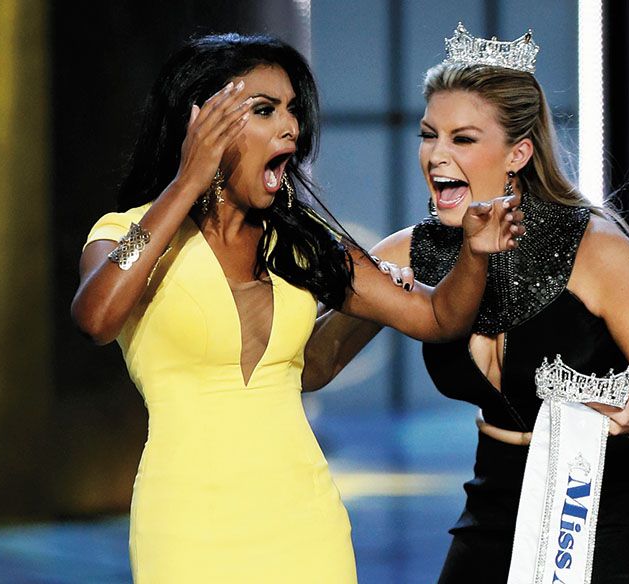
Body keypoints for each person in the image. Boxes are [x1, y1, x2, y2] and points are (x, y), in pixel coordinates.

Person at [70, 33, 524, 583]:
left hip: (305, 523)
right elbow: (96, 316)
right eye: (265, 110)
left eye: (293, 112)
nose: (291, 127)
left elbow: (437, 318)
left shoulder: (301, 245)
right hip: (184, 523)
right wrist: (186, 182)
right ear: (201, 125)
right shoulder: (129, 237)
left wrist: (474, 254)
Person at [309, 24, 629, 583]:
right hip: (497, 498)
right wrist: (350, 290)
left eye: (462, 139)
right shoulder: (405, 254)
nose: (436, 155)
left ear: (517, 153)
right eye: (428, 134)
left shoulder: (602, 255)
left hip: (616, 501)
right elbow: (314, 367)